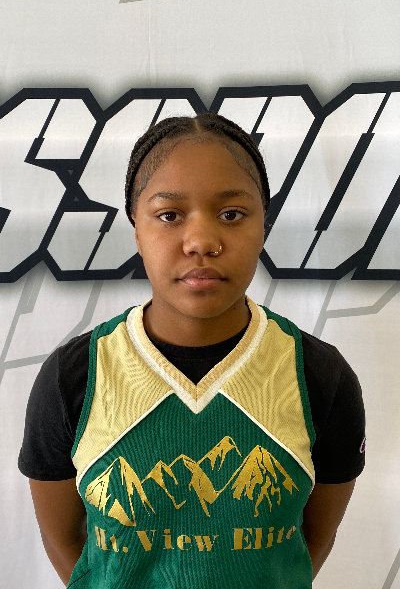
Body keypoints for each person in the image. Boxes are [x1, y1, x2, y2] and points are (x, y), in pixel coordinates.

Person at [19, 113, 366, 589]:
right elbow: (62, 540)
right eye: (169, 215)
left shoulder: (319, 375)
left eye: (232, 214)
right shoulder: (74, 376)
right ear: (136, 227)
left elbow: (312, 544)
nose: (201, 241)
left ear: (264, 224)